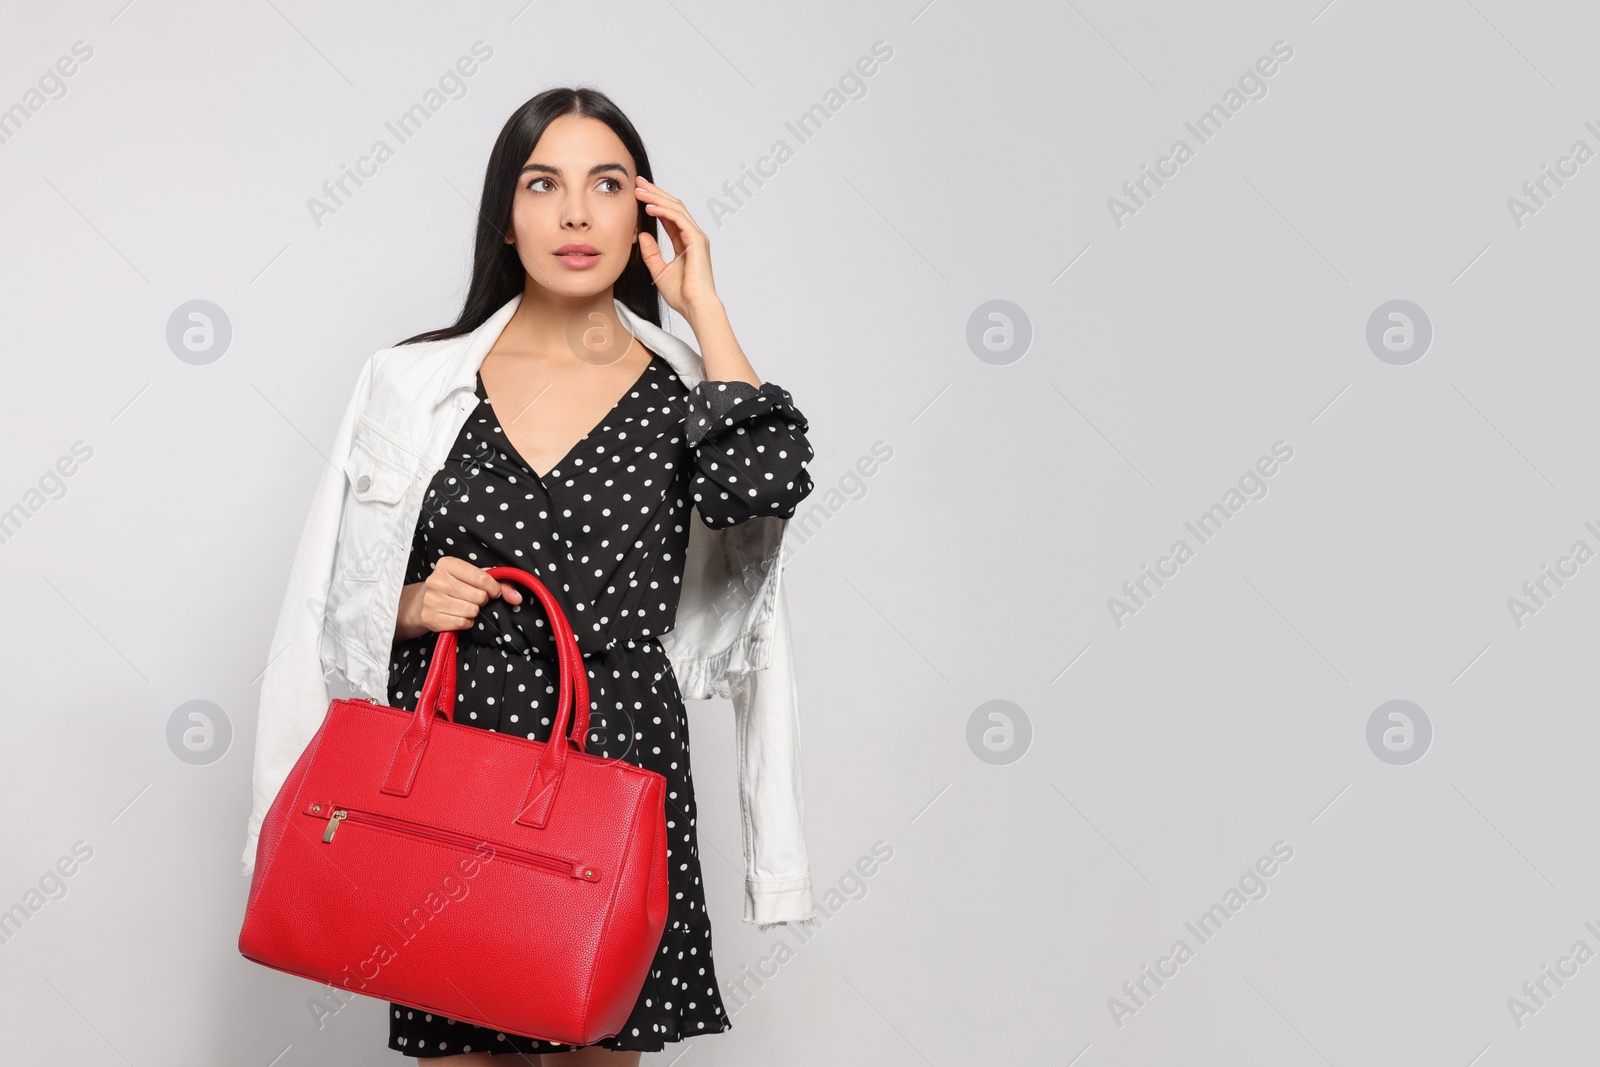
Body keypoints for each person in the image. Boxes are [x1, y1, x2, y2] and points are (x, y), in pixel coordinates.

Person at [242, 86, 819, 1064]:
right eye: (543, 184)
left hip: (623, 746)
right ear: (506, 219)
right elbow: (323, 601)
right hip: (458, 742)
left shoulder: (684, 386)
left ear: (645, 212)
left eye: (607, 184)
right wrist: (413, 607)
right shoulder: (412, 378)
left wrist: (704, 304)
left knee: (596, 1045)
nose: (577, 214)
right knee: (463, 1044)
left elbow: (762, 487)